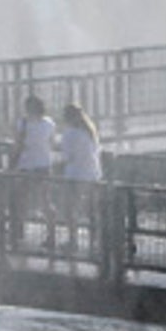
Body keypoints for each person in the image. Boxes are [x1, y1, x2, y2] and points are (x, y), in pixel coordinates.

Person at [11, 94, 57, 250]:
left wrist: (12, 163)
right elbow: (51, 142)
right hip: (44, 166)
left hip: (26, 166)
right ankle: (51, 234)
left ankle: (18, 232)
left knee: (21, 200)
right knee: (46, 201)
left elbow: (18, 145)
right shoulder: (49, 123)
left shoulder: (22, 124)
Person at [58, 102, 104, 257]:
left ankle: (73, 240)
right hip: (92, 174)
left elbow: (67, 157)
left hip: (75, 175)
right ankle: (95, 241)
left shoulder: (69, 133)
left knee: (70, 208)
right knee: (92, 209)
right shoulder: (90, 131)